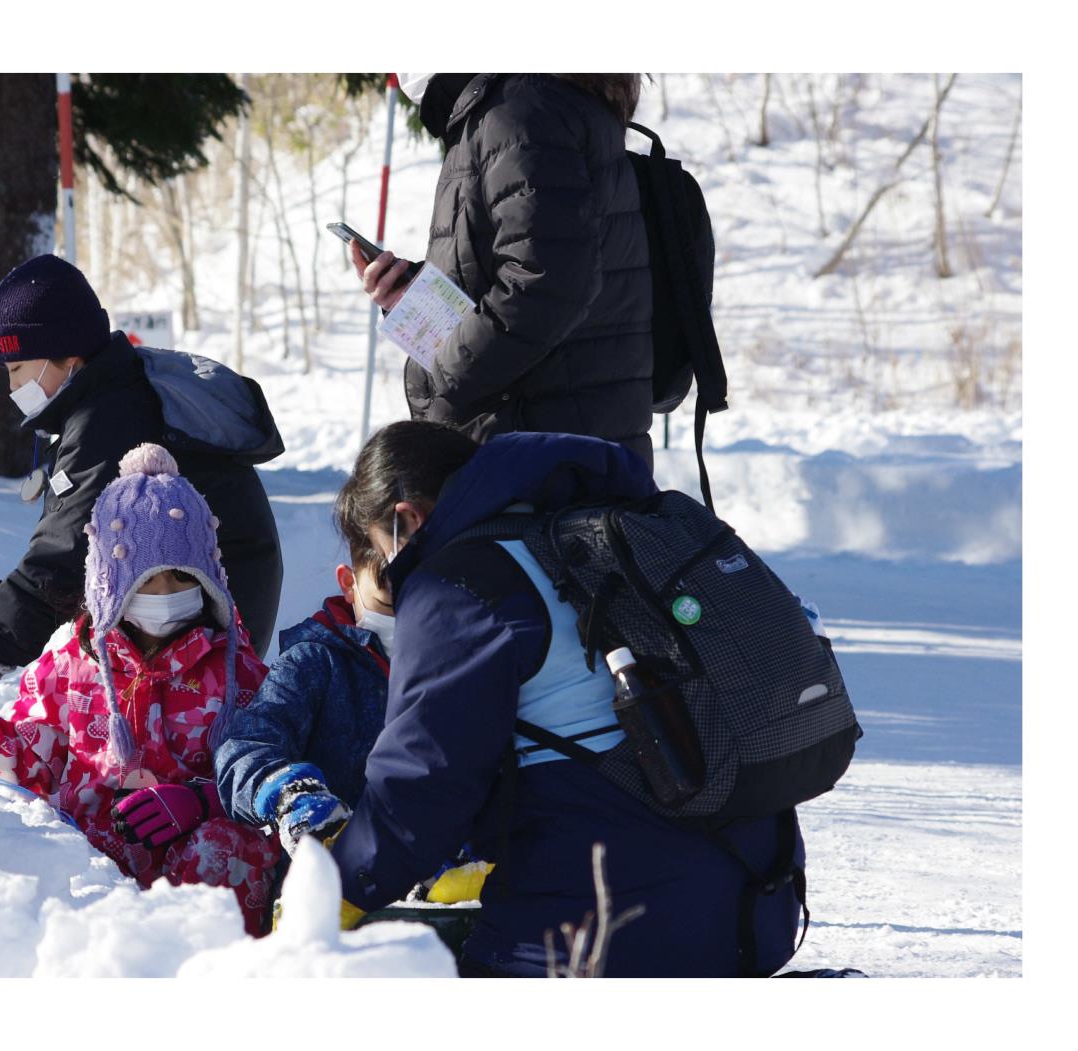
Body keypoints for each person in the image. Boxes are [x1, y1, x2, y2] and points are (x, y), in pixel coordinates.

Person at [323, 420, 806, 977]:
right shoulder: (617, 534)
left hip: (613, 931)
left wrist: (335, 891)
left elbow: (423, 783)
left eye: (383, 552)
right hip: (759, 905)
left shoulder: (457, 584)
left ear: (407, 520)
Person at [0, 444, 280, 936]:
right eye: (146, 584)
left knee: (229, 845)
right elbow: (43, 752)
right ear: (109, 585)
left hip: (187, 873)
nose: (164, 599)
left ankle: (207, 966)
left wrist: (201, 801)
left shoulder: (235, 675)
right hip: (90, 868)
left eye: (179, 581)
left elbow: (263, 770)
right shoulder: (72, 664)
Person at [0, 254, 285, 702]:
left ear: (67, 355)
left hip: (198, 623)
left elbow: (61, 560)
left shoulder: (109, 418)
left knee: (146, 754)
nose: (12, 389)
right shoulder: (109, 393)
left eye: (17, 370)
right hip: (190, 613)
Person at [352, 74, 657, 470]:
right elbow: (527, 270)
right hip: (547, 440)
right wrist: (411, 299)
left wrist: (445, 369)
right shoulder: (508, 108)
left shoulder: (520, 110)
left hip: (537, 455)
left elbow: (546, 286)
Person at [214, 543, 394, 856]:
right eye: (387, 595)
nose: (408, 611)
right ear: (350, 583)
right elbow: (248, 744)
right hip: (331, 874)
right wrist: (290, 793)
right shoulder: (315, 661)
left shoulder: (469, 660)